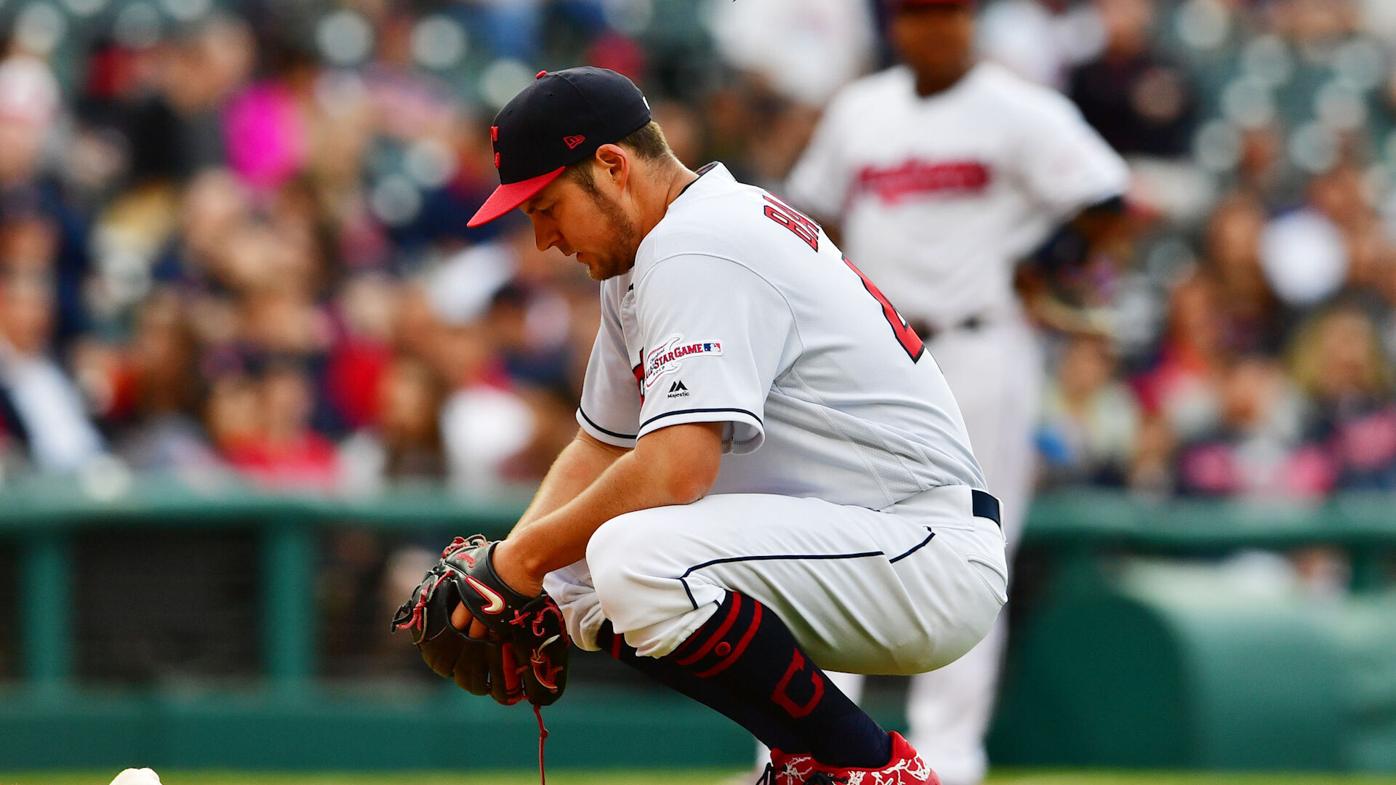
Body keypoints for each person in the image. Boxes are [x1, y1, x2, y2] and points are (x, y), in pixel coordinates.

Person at [453, 66, 1007, 784]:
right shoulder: (649, 255)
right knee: (575, 571)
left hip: (923, 548)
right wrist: (520, 559)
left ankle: (870, 766)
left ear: (613, 167)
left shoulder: (699, 243)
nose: (543, 239)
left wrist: (516, 564)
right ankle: (808, 759)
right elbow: (597, 446)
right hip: (850, 539)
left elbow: (677, 470)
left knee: (631, 554)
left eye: (547, 206)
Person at [782, 1, 1130, 783]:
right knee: (832, 540)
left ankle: (948, 756)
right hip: (874, 353)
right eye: (915, 15)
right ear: (894, 26)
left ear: (970, 20)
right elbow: (812, 214)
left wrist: (1052, 257)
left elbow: (1109, 197)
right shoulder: (859, 110)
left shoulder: (1020, 109)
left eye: (945, 13)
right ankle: (819, 750)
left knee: (977, 548)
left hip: (981, 342)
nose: (931, 28)